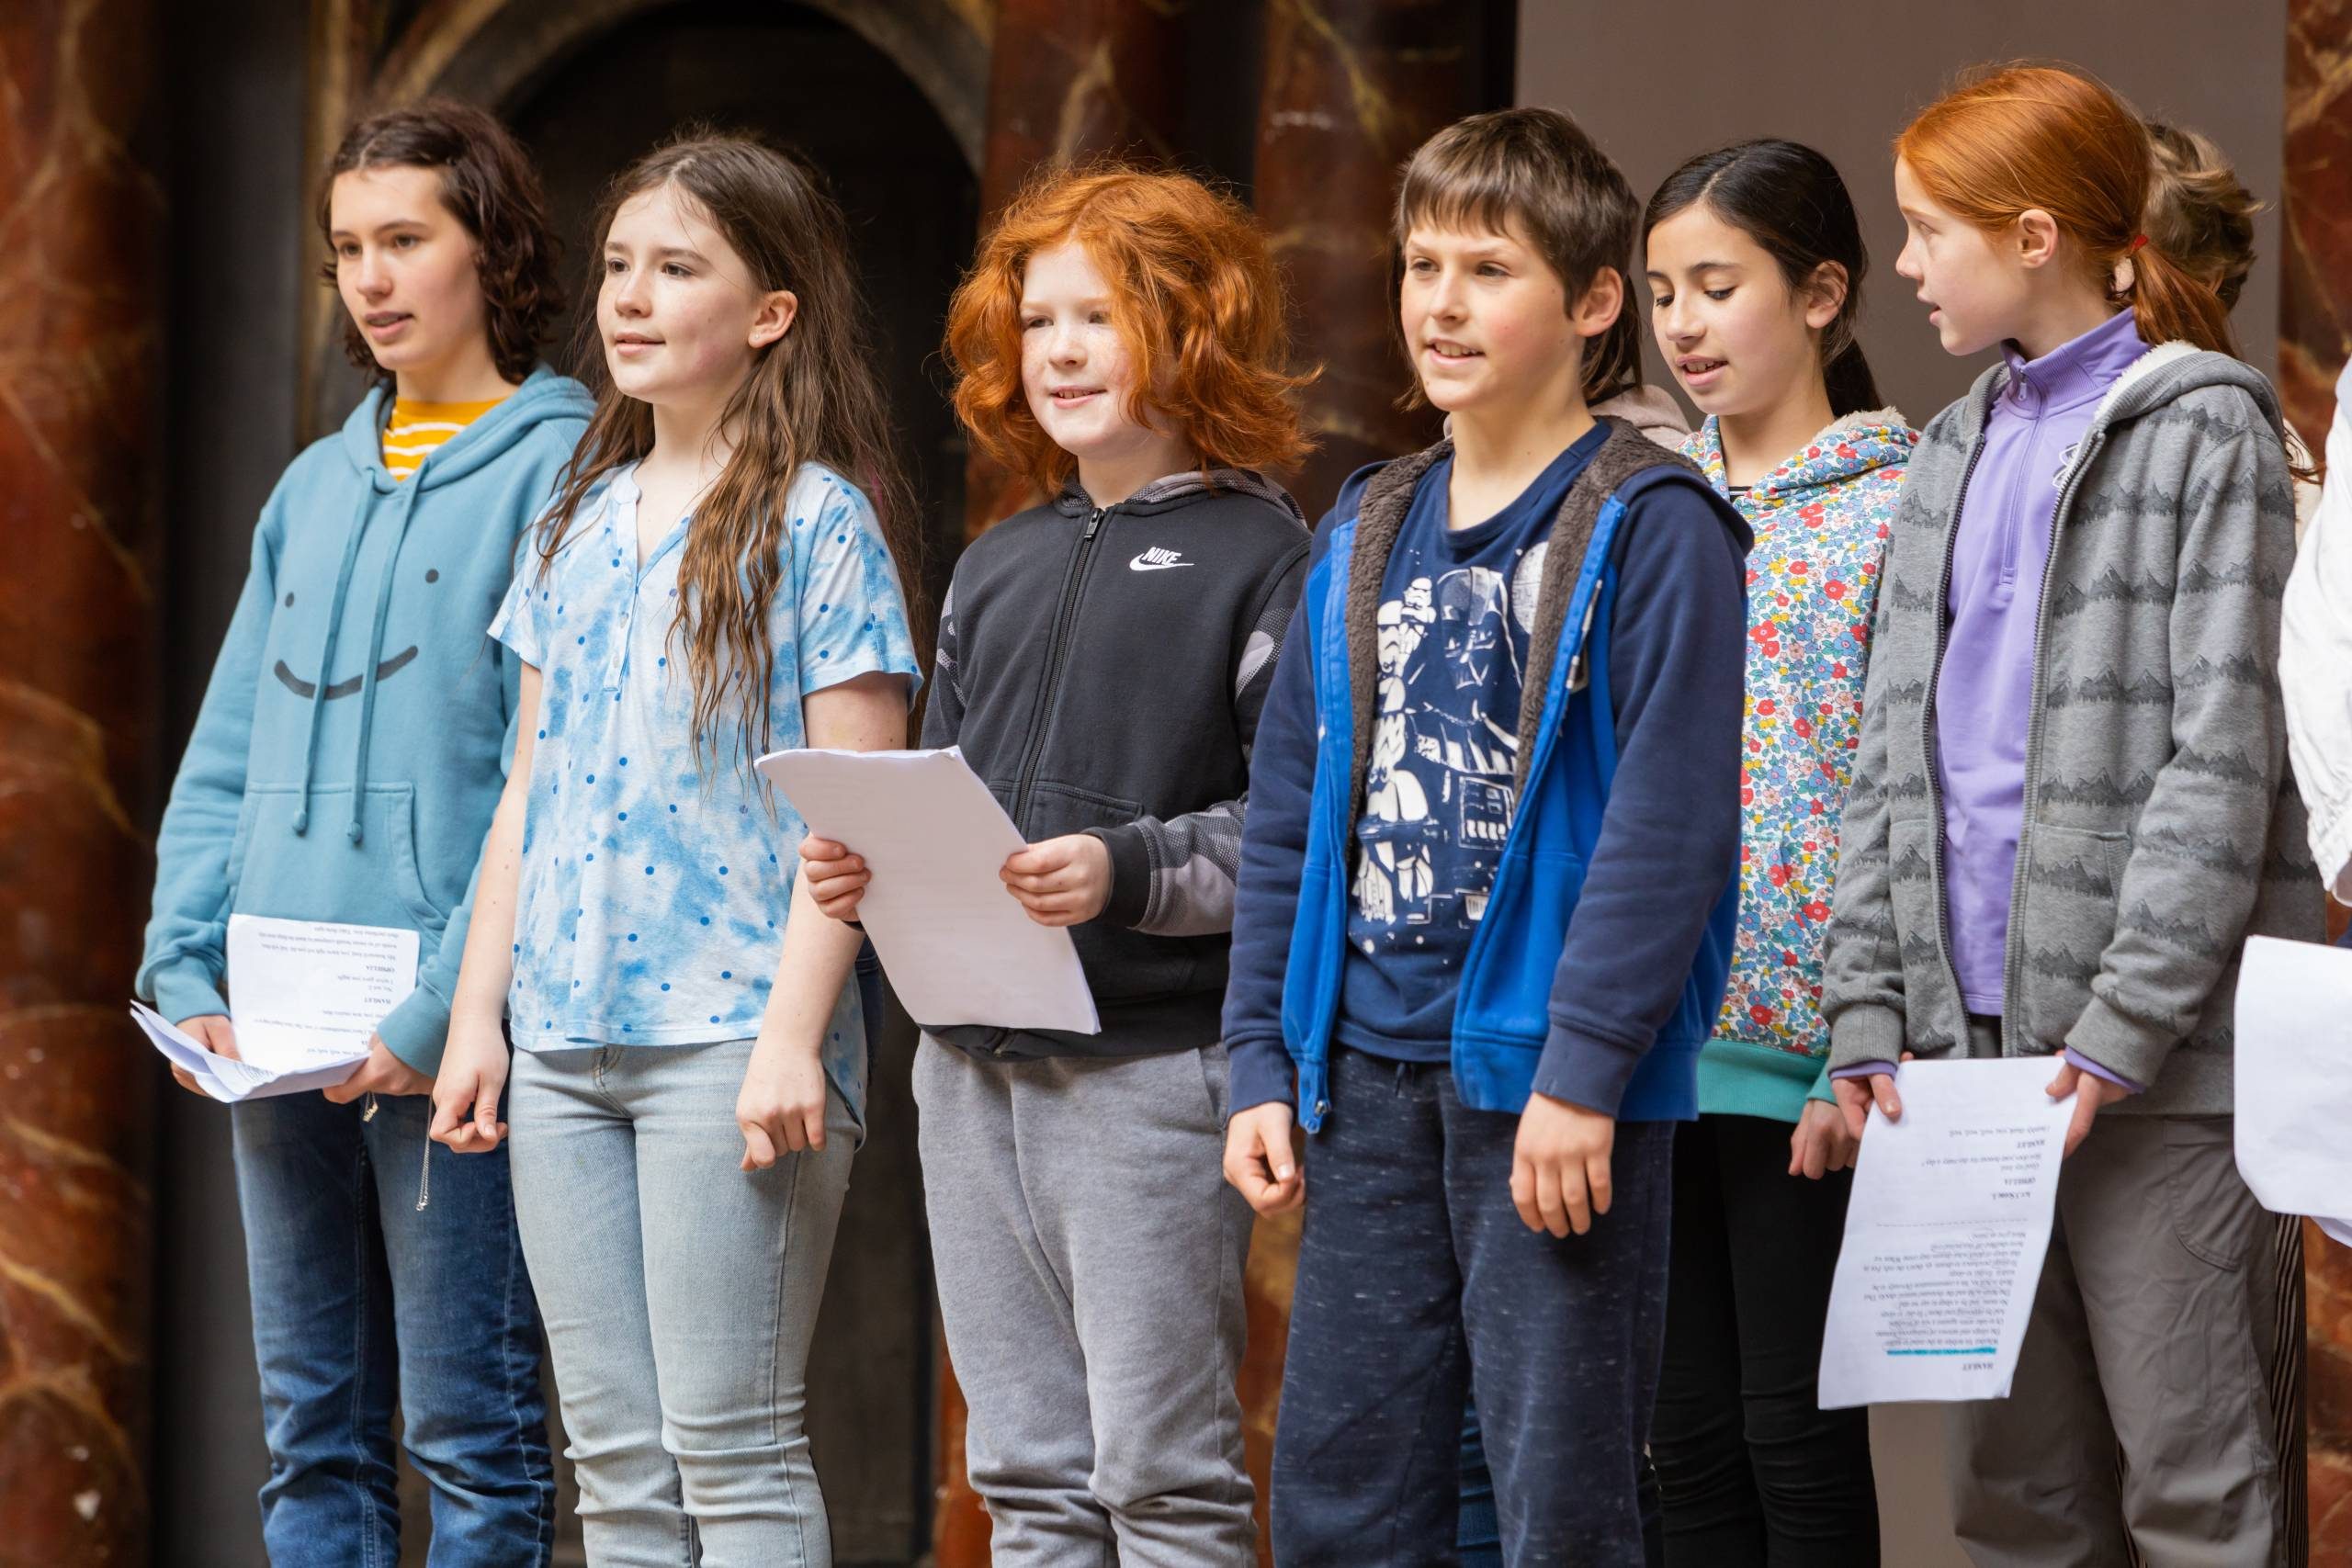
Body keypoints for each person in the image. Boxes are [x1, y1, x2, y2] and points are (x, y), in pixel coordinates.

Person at [1219, 107, 1749, 1566]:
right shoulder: (1366, 525)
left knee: (1559, 1502)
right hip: (1369, 1075)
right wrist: (1263, 1056)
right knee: (1341, 1497)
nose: (1439, 304)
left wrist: (1584, 1073)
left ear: (1589, 305)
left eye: (1487, 270)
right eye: (1420, 264)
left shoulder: (1655, 524)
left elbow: (1672, 824)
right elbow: (1291, 819)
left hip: (1546, 1089)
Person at [1826, 63, 2321, 1566]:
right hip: (1963, 1076)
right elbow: (1886, 759)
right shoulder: (1944, 449)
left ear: (2034, 235)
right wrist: (1866, 1011)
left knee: (2198, 1493)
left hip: (2154, 1082)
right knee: (2013, 1506)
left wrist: (2120, 1030)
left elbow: (2222, 762)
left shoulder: (2207, 433)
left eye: (1927, 231)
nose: (1904, 266)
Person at [797, 164, 1312, 1566]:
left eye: (1104, 315)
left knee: (1165, 1484)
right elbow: (943, 795)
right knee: (1023, 1482)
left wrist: (1125, 870)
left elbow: (1295, 829)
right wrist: (876, 870)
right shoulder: (995, 564)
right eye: (1039, 322)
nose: (1063, 351)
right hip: (965, 1076)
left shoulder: (1267, 557)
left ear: (1195, 329)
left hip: (1149, 1076)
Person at [428, 132, 923, 1565]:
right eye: (618, 268)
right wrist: (480, 1016)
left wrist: (791, 1039)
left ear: (769, 313)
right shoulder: (572, 521)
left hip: (731, 1039)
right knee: (618, 1470)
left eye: (678, 269)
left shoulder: (818, 524)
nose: (630, 299)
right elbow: (529, 789)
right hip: (565, 1037)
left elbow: (857, 811)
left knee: (734, 1445)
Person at [136, 100, 586, 1564]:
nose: (373, 279)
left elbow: (557, 775)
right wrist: (184, 964)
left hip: (449, 1032)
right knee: (308, 1438)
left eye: (407, 240)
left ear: (491, 252)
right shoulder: (309, 487)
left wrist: (442, 1002)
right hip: (267, 1029)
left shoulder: (568, 471)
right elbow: (225, 757)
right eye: (347, 250)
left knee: (475, 1441)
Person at [1640, 137, 1914, 1567]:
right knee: (1677, 1445)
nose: (1682, 324)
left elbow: (1904, 795)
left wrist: (1856, 1048)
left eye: (1719, 285)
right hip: (1644, 1045)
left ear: (1820, 294)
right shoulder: (1637, 508)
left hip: (1806, 1049)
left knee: (1792, 1441)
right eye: (1663, 290)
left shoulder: (1902, 508)